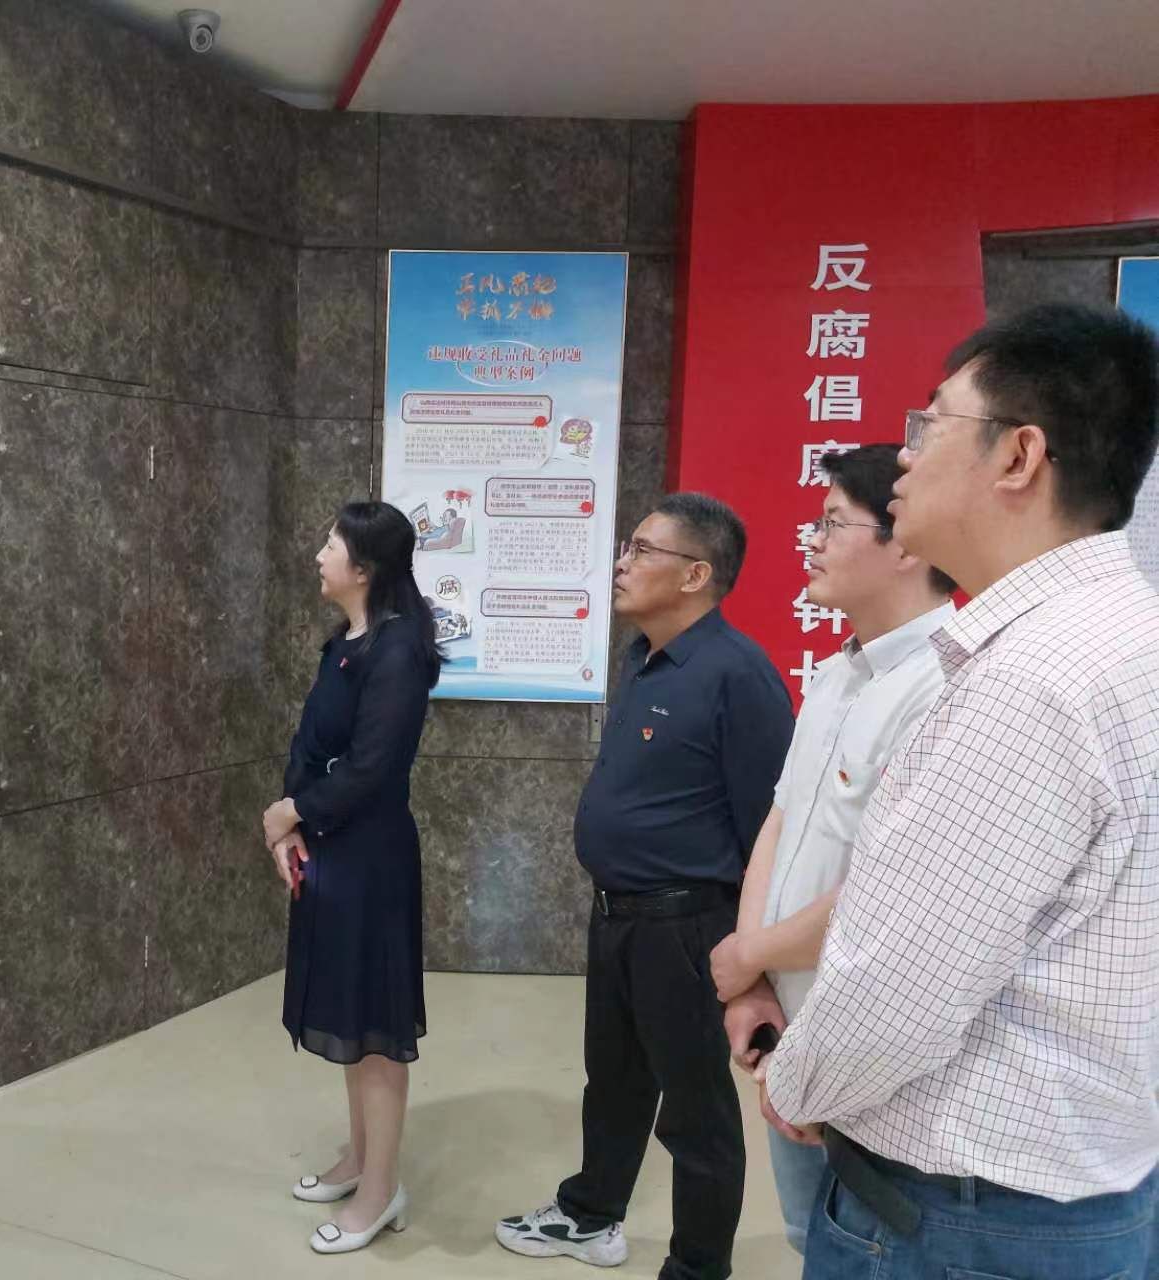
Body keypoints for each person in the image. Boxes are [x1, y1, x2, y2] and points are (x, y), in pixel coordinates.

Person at [759, 303, 1159, 1279]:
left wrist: (795, 1080)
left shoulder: (1030, 677)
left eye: (929, 423)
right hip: (1080, 1183)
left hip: (956, 1216)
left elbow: (900, 987)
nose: (903, 455)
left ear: (1018, 456)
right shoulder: (1126, 632)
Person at [496, 493, 794, 1280]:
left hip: (687, 928)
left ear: (696, 575)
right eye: (625, 547)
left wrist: (749, 953)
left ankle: (698, 1267)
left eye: (641, 550)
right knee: (615, 1081)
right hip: (618, 916)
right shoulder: (642, 657)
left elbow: (768, 828)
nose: (621, 562)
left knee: (695, 1115)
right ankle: (591, 1213)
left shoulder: (738, 675)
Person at [706, 445, 957, 1256]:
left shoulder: (947, 686)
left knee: (864, 1248)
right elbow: (781, 821)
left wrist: (749, 954)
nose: (810, 542)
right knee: (808, 1240)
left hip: (867, 1048)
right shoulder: (839, 672)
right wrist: (752, 980)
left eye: (832, 523)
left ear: (905, 541)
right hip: (785, 1025)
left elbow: (891, 891)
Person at [263, 500, 444, 1256]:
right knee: (347, 1015)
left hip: (369, 858)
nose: (319, 556)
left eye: (331, 545)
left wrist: (291, 811)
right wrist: (292, 823)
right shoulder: (345, 642)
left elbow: (373, 770)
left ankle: (381, 1190)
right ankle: (360, 1158)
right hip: (329, 847)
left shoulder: (397, 652)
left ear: (364, 566)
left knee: (375, 1029)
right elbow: (311, 745)